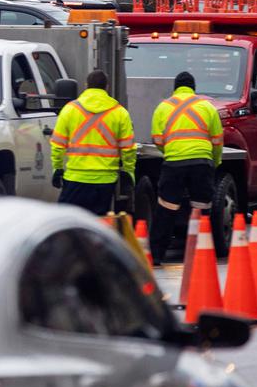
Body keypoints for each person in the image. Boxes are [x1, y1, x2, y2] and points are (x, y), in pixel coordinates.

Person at [148, 70, 223, 263]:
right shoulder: (207, 107)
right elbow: (217, 140)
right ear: (193, 88)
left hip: (174, 163)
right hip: (201, 163)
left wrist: (171, 152)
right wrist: (214, 162)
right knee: (201, 209)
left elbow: (157, 139)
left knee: (166, 209)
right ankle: (201, 252)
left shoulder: (163, 107)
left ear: (175, 88)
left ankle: (157, 255)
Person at [50, 68, 136, 216]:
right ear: (107, 87)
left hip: (75, 179)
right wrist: (128, 171)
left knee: (68, 223)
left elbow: (57, 144)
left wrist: (57, 168)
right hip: (105, 181)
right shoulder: (119, 112)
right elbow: (128, 148)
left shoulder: (70, 110)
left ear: (86, 85)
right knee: (99, 223)